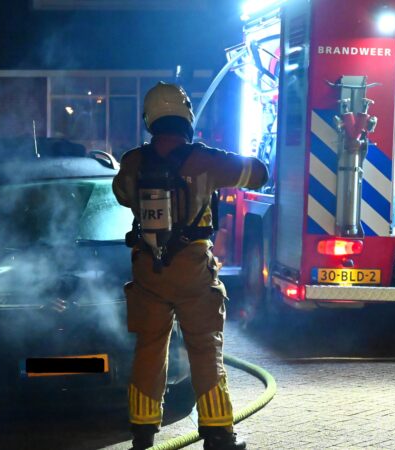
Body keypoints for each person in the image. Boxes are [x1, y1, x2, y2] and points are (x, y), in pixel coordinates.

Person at [113, 82, 267, 450]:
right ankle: (218, 434)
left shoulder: (133, 161)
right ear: (186, 116)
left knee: (149, 349)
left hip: (148, 269)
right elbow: (259, 174)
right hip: (193, 270)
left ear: (149, 118)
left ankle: (143, 434)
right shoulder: (205, 160)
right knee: (204, 348)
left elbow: (121, 194)